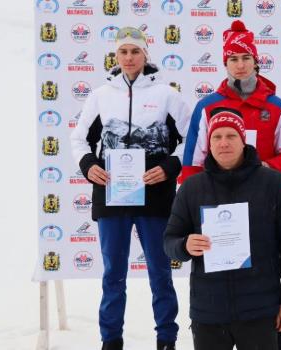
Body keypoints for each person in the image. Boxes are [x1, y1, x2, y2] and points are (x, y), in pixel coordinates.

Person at [70, 27, 191, 350]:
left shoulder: (167, 95)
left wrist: (168, 168)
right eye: (123, 52)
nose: (128, 58)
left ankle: (166, 338)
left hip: (155, 194)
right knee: (113, 274)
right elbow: (79, 138)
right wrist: (88, 165)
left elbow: (190, 141)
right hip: (112, 193)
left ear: (145, 55)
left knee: (160, 272)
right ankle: (111, 340)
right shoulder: (100, 95)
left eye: (135, 51)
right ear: (115, 55)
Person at [163, 109, 281, 350]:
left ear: (243, 140)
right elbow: (170, 241)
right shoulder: (192, 187)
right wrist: (184, 245)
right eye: (217, 137)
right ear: (209, 143)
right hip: (208, 312)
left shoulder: (272, 183)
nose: (224, 143)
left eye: (231, 136)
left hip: (260, 310)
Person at [182, 20, 281, 180]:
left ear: (255, 61)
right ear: (226, 63)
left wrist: (265, 168)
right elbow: (192, 162)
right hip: (219, 196)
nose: (241, 65)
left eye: (246, 58)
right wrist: (193, 198)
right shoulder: (206, 107)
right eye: (234, 59)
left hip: (263, 194)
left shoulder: (276, 106)